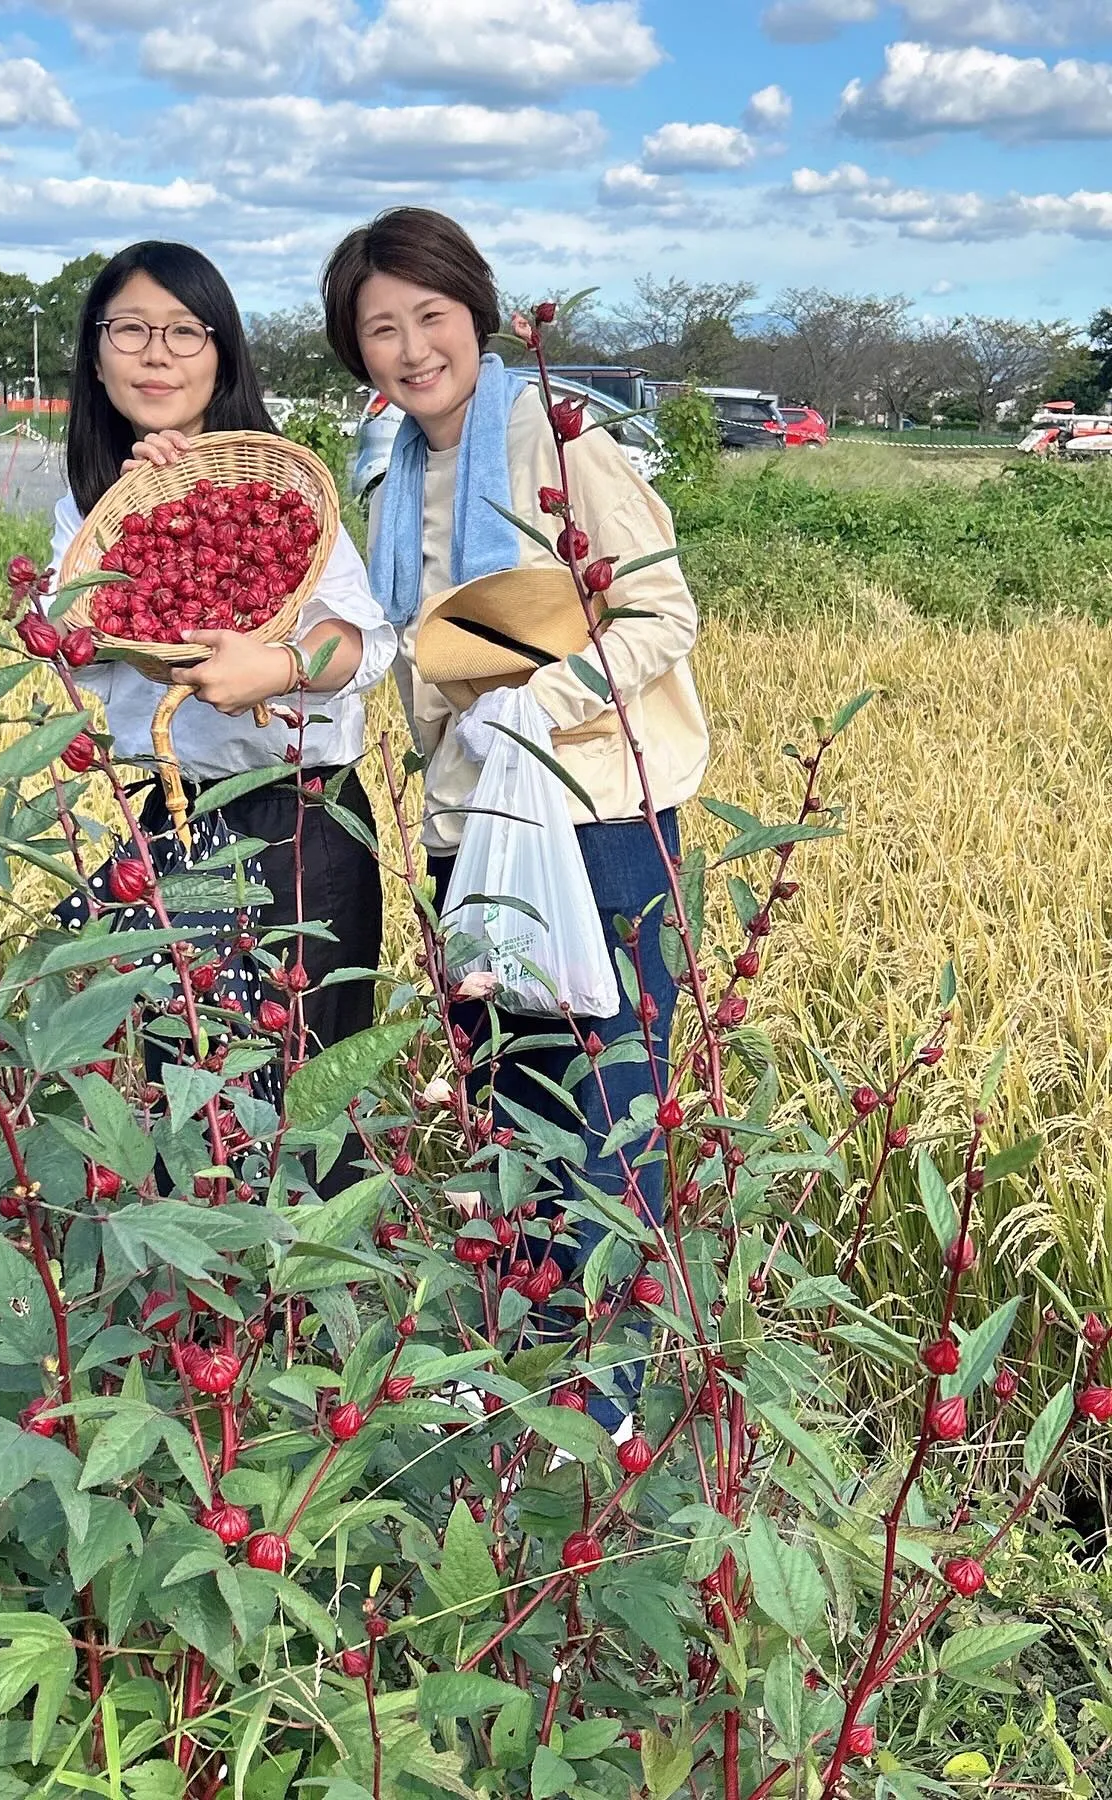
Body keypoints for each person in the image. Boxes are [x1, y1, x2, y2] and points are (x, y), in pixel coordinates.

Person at [321, 208, 710, 1419]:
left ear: (475, 313)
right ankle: (534, 1383)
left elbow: (661, 616)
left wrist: (542, 703)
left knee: (610, 1104)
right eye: (379, 328)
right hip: (468, 829)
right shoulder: (391, 469)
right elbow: (403, 643)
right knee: (517, 1104)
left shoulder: (558, 434)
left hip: (594, 824)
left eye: (429, 315)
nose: (409, 347)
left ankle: (607, 1406)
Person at [48, 239, 396, 1071]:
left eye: (184, 331)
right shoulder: (88, 506)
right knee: (192, 1089)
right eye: (129, 330)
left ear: (222, 355)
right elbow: (71, 646)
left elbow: (362, 644)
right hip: (174, 817)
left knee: (308, 1092)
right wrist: (136, 524)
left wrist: (278, 669)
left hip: (301, 825)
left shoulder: (273, 494)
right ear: (96, 360)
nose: (156, 354)